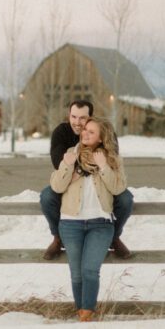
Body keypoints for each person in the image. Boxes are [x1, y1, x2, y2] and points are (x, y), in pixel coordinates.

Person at [50, 116, 127, 321]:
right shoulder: (70, 154)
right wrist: (67, 166)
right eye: (85, 130)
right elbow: (56, 187)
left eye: (91, 132)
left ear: (102, 138)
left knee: (90, 270)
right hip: (70, 223)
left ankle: (87, 314)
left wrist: (103, 167)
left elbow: (118, 188)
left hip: (100, 224)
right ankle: (81, 314)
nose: (85, 133)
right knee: (76, 274)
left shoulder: (113, 160)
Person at [40, 100, 133, 260]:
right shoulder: (60, 132)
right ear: (68, 115)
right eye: (73, 116)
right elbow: (59, 164)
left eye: (82, 118)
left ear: (91, 117)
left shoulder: (104, 131)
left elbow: (110, 160)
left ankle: (114, 237)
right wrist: (84, 168)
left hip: (101, 183)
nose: (77, 122)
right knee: (47, 196)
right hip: (69, 183)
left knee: (126, 198)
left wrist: (89, 168)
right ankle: (58, 237)